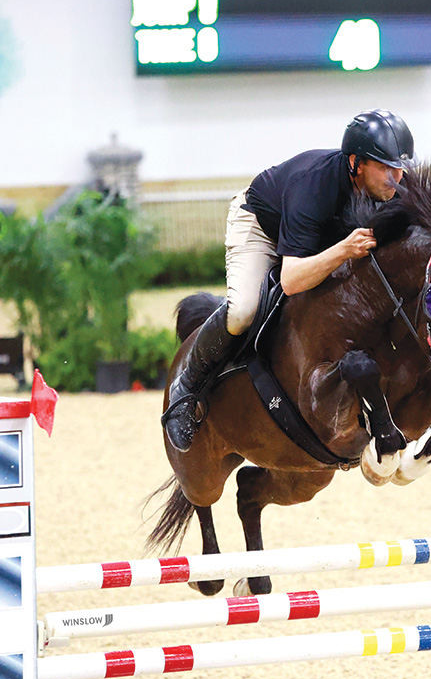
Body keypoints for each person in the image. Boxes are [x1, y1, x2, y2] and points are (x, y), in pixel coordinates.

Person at [161, 109, 414, 451]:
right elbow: (292, 279)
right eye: (386, 167)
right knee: (243, 311)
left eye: (400, 167)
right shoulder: (313, 185)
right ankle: (186, 389)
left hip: (320, 240)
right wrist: (342, 250)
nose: (396, 177)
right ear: (356, 163)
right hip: (261, 226)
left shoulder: (392, 185)